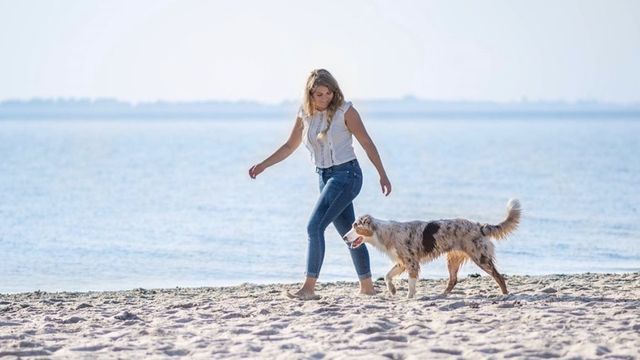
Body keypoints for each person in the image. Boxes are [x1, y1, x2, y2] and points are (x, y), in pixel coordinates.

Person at [248, 69, 391, 299]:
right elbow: (288, 146)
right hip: (324, 177)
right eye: (318, 95)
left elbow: (366, 142)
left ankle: (309, 288)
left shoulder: (346, 111)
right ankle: (368, 287)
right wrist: (264, 165)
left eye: (328, 94)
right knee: (350, 233)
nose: (324, 99)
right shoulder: (305, 115)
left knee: (314, 227)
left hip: (347, 175)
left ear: (334, 92)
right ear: (310, 94)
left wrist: (382, 174)